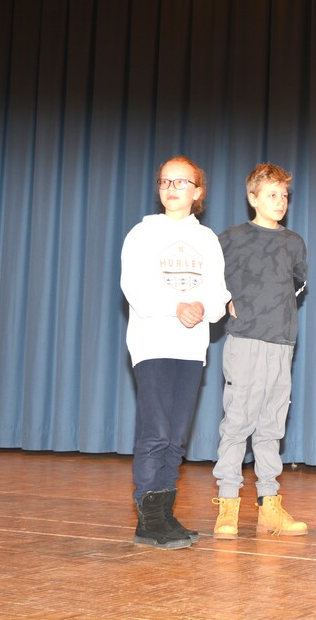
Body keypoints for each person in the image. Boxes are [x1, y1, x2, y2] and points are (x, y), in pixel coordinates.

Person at [120, 156, 230, 549]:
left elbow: (218, 292)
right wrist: (176, 306)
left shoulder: (207, 239)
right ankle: (147, 518)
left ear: (198, 192)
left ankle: (164, 513)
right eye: (165, 181)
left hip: (191, 348)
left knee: (176, 437)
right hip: (153, 344)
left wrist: (204, 307)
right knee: (157, 431)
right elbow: (134, 286)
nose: (171, 188)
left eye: (181, 182)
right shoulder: (142, 234)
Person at [212, 163, 309, 537]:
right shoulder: (231, 239)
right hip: (246, 342)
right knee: (238, 422)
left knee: (271, 426)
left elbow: (299, 283)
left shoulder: (294, 242)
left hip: (281, 343)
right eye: (272, 194)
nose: (280, 201)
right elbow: (211, 279)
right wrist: (225, 300)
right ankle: (228, 505)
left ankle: (269, 505)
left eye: (284, 195)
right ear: (253, 198)